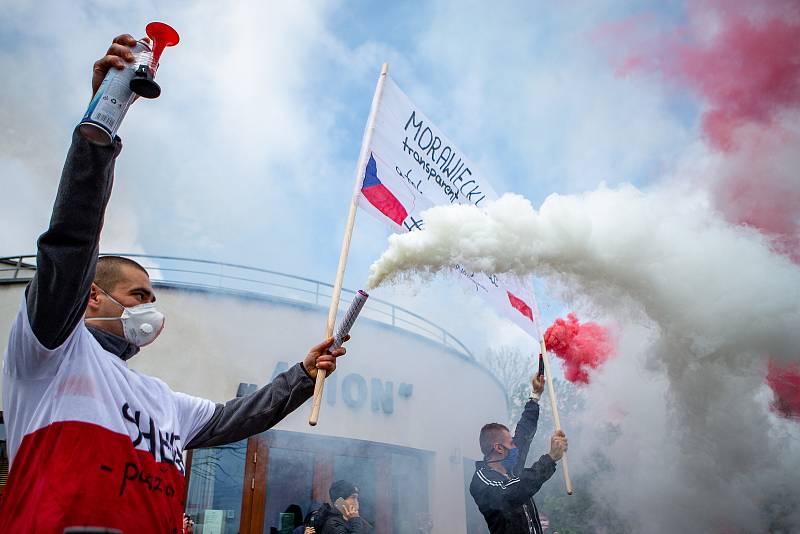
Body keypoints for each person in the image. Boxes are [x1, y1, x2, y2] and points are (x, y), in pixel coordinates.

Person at [0, 34, 349, 533]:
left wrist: (303, 374)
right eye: (138, 295)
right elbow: (72, 239)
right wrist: (104, 122)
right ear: (91, 294)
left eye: (152, 298)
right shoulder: (49, 353)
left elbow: (243, 415)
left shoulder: (164, 400)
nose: (151, 310)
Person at [469, 372, 568, 534]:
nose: (516, 446)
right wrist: (550, 459)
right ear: (499, 448)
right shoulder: (482, 481)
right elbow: (510, 493)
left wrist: (535, 396)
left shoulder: (511, 467)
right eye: (511, 443)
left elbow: (524, 432)